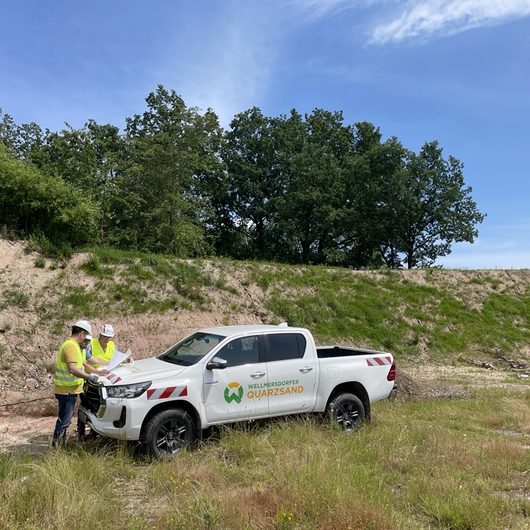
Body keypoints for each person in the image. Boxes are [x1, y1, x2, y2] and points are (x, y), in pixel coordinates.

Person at [52, 320, 99, 447]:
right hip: (66, 390)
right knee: (65, 420)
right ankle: (57, 447)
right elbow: (72, 369)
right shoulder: (71, 346)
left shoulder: (72, 345)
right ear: (82, 333)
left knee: (64, 419)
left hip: (68, 390)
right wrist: (89, 377)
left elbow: (81, 365)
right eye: (86, 335)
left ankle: (58, 445)